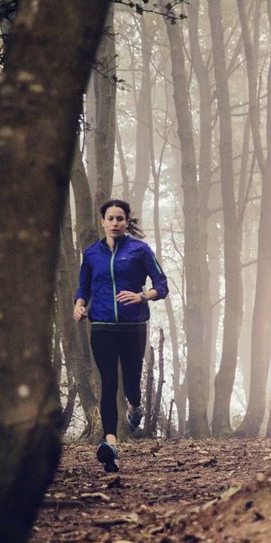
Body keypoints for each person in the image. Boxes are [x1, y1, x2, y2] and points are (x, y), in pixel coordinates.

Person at [74, 199, 169, 473]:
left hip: (133, 326)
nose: (115, 223)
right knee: (108, 382)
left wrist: (141, 296)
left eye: (120, 219)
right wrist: (79, 305)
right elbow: (84, 286)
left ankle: (135, 406)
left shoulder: (140, 250)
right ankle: (111, 445)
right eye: (110, 218)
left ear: (127, 222)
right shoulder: (91, 253)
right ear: (102, 222)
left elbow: (161, 286)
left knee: (131, 382)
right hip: (102, 325)